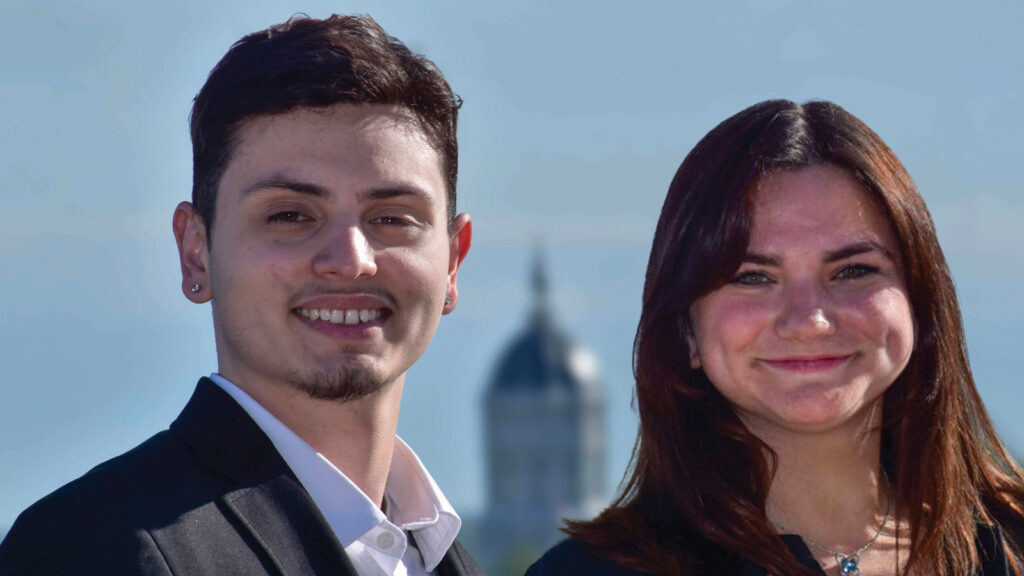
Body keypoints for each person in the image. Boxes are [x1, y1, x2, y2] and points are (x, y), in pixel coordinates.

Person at [0, 14, 481, 576]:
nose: (351, 260)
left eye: (393, 218)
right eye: (290, 215)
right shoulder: (93, 548)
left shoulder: (443, 561)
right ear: (195, 252)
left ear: (452, 261)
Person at [526, 99, 1024, 575]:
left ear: (918, 301)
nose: (809, 320)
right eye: (753, 277)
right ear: (686, 332)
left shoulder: (1010, 542)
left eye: (852, 271)